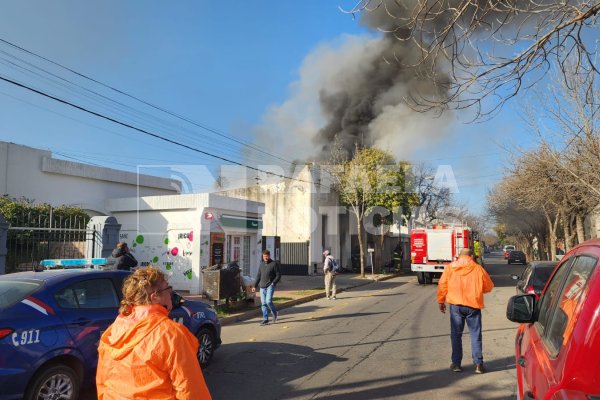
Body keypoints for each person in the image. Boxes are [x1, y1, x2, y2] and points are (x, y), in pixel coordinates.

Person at [96, 266, 212, 399]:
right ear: (155, 297)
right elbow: (190, 389)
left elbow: (102, 380)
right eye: (168, 289)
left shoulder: (114, 329)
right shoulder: (170, 334)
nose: (171, 293)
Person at [437, 248, 494, 374]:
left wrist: (441, 301)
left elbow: (442, 285)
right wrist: (478, 290)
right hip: (473, 305)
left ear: (459, 256)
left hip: (456, 305)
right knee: (475, 335)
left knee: (456, 335)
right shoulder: (478, 268)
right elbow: (488, 286)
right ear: (471, 256)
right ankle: (478, 364)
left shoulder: (450, 267)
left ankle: (456, 364)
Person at [252, 249, 281, 325]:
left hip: (270, 286)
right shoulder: (261, 264)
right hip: (262, 286)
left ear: (269, 256)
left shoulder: (274, 264)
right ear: (262, 256)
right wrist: (254, 286)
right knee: (263, 303)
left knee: (268, 301)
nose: (265, 258)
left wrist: (273, 283)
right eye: (264, 256)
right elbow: (258, 275)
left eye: (267, 256)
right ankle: (265, 319)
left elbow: (278, 275)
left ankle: (274, 313)